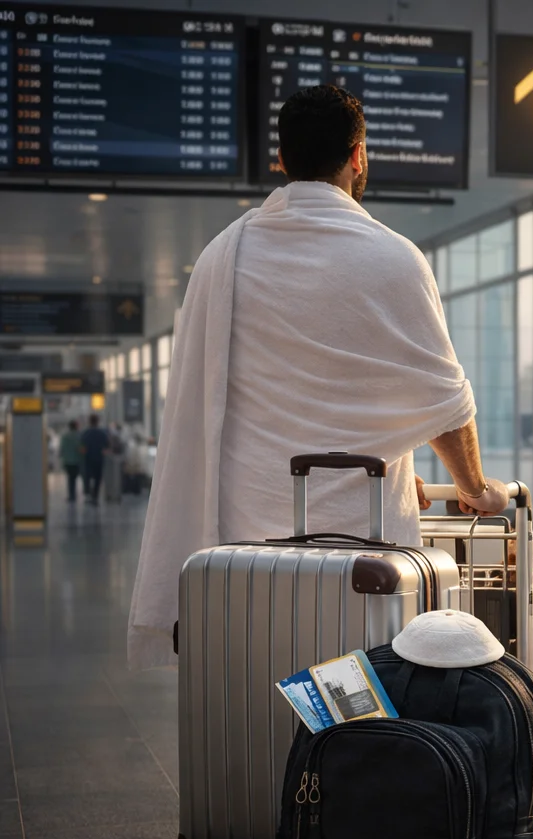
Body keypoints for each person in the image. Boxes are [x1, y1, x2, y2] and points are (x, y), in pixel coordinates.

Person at [127, 85, 507, 671]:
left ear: (281, 160)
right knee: (363, 693)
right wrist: (476, 488)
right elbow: (444, 402)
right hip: (367, 544)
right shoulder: (393, 256)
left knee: (259, 687)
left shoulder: (222, 255)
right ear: (358, 155)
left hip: (247, 541)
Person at [79, 415, 112, 505]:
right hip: (99, 459)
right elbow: (108, 446)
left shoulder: (85, 433)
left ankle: (88, 494)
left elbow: (81, 447)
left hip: (88, 459)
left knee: (87, 477)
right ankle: (95, 496)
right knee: (98, 478)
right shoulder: (102, 433)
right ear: (97, 421)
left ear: (89, 421)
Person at [59, 420, 83, 503]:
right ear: (76, 426)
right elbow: (80, 448)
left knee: (70, 479)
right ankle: (79, 494)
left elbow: (61, 449)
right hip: (77, 460)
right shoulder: (78, 436)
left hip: (67, 461)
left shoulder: (65, 436)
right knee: (76, 478)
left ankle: (71, 495)